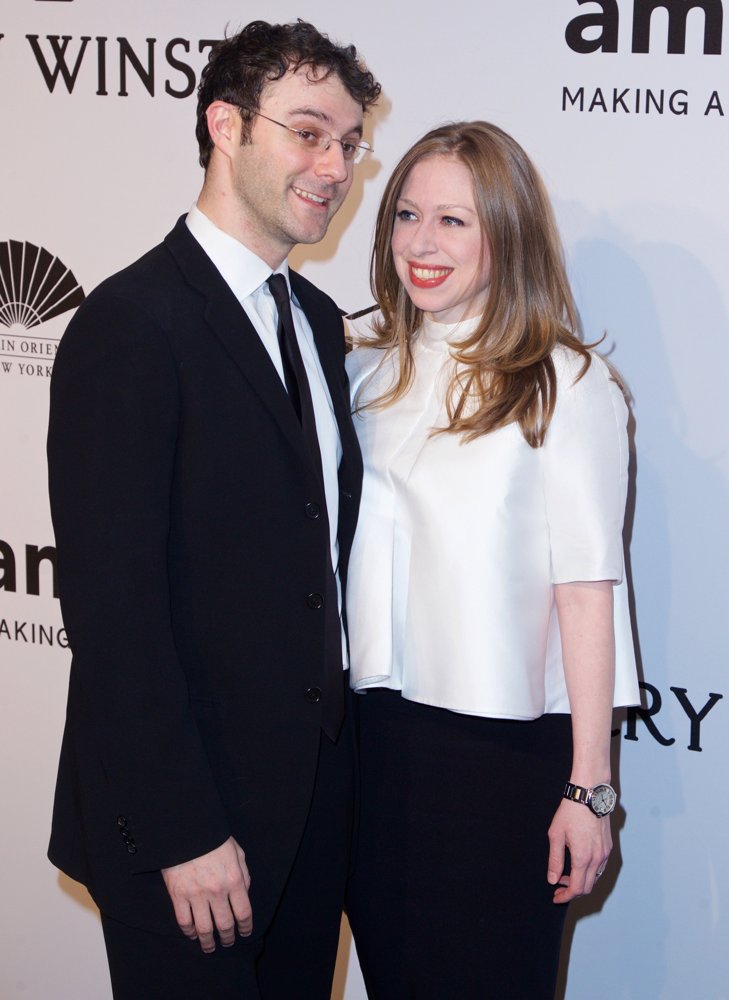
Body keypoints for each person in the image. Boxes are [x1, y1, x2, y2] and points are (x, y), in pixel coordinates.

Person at [47, 20, 379, 1000]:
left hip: (310, 808)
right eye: (309, 132)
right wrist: (183, 830)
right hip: (187, 826)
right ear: (225, 124)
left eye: (352, 142)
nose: (335, 166)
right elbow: (115, 615)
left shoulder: (315, 320)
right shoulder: (131, 325)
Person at [344, 121, 640, 999]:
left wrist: (590, 790)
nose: (420, 245)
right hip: (370, 749)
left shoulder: (564, 381)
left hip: (503, 763)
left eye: (453, 221)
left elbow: (588, 592)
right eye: (406, 215)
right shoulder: (363, 369)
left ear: (506, 233)